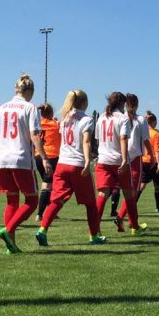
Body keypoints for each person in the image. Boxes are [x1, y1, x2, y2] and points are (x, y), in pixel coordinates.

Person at [0, 74, 49, 254]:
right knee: (32, 201)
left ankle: (10, 245)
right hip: (21, 161)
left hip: (3, 161)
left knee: (12, 201)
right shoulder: (30, 108)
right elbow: (35, 135)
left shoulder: (1, 108)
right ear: (29, 91)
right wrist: (43, 157)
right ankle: (8, 230)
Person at [35, 90, 106, 247]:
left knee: (56, 201)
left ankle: (42, 230)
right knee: (91, 204)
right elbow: (86, 142)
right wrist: (88, 160)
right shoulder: (86, 119)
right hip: (77, 164)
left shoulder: (64, 118)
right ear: (84, 103)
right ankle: (94, 236)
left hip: (62, 164)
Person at [94, 92, 143, 235]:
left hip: (103, 160)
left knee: (102, 195)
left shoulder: (101, 117)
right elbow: (123, 138)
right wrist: (123, 159)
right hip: (118, 160)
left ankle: (94, 228)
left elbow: (98, 140)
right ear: (122, 103)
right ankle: (134, 227)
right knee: (129, 194)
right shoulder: (123, 118)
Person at [116, 94, 149, 230]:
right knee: (133, 192)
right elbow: (146, 140)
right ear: (136, 104)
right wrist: (151, 155)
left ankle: (130, 221)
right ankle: (121, 217)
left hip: (120, 157)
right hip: (134, 158)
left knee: (124, 191)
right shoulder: (141, 120)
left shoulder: (119, 118)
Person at [34, 103, 61, 222]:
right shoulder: (55, 125)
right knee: (47, 185)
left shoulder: (37, 124)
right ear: (51, 113)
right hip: (51, 157)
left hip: (38, 156)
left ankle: (50, 211)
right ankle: (40, 214)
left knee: (50, 185)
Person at [139, 111, 159, 212]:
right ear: (154, 122)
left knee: (141, 185)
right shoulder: (156, 134)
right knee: (157, 185)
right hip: (153, 161)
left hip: (143, 161)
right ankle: (158, 207)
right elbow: (157, 151)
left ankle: (131, 205)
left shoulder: (141, 133)